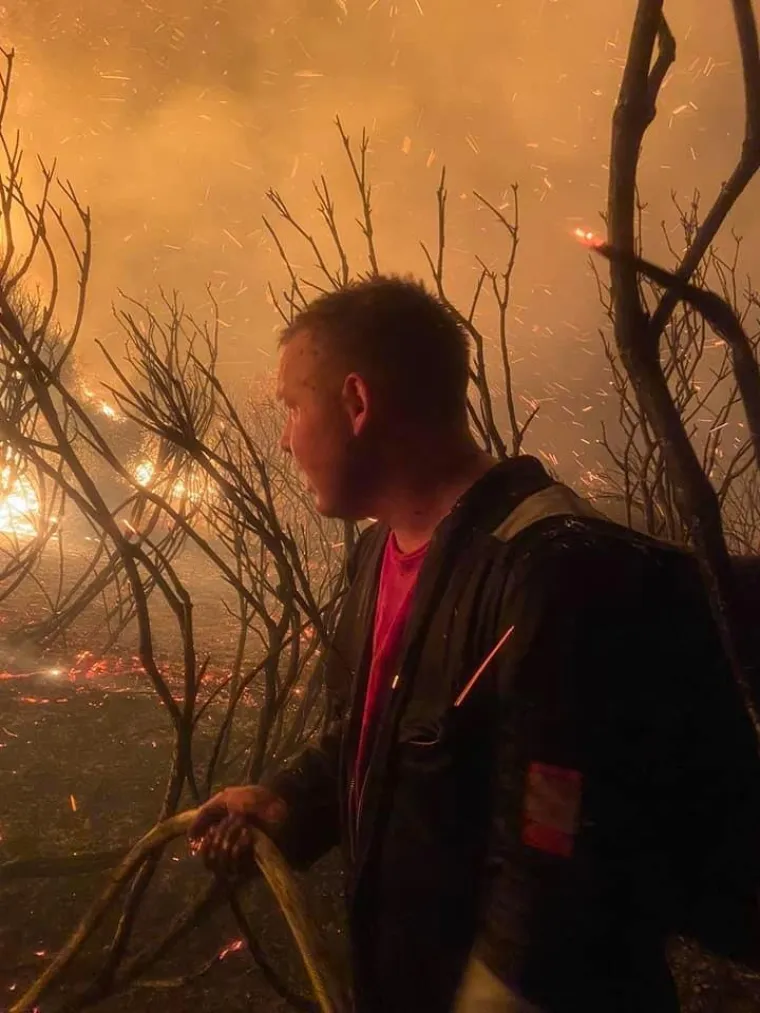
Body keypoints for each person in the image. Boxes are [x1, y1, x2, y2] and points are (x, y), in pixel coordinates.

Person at [189, 276, 760, 1013]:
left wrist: (499, 992)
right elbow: (380, 735)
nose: (285, 437)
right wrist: (284, 800)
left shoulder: (554, 573)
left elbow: (557, 848)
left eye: (293, 407)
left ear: (357, 403)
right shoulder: (379, 555)